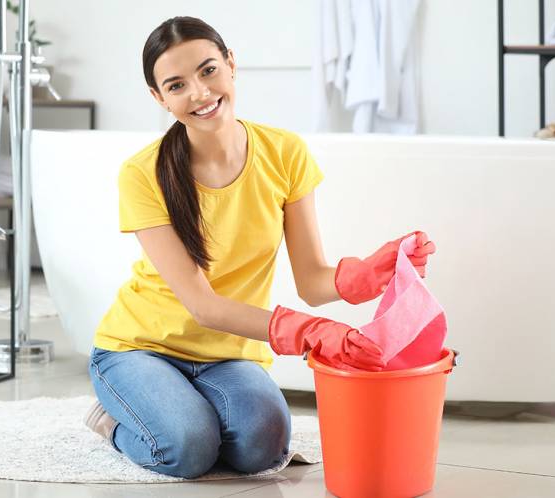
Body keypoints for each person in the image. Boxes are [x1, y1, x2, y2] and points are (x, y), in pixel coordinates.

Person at [84, 16, 436, 479]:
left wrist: (365, 273)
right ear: (159, 98)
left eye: (208, 71)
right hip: (140, 349)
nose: (200, 93)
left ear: (231, 65)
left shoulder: (284, 152)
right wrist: (310, 332)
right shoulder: (141, 173)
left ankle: (187, 412)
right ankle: (112, 420)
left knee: (264, 449)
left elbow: (312, 280)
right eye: (177, 85)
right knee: (188, 450)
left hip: (228, 355)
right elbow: (203, 306)